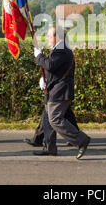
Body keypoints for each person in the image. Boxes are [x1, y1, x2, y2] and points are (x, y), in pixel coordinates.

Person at [32, 26, 91, 159]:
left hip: (60, 91)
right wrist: (44, 79)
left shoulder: (62, 49)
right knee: (47, 118)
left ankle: (81, 140)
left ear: (57, 37)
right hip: (54, 89)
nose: (47, 38)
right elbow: (53, 69)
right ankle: (49, 147)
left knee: (54, 119)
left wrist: (39, 56)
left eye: (49, 36)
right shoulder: (58, 49)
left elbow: (50, 65)